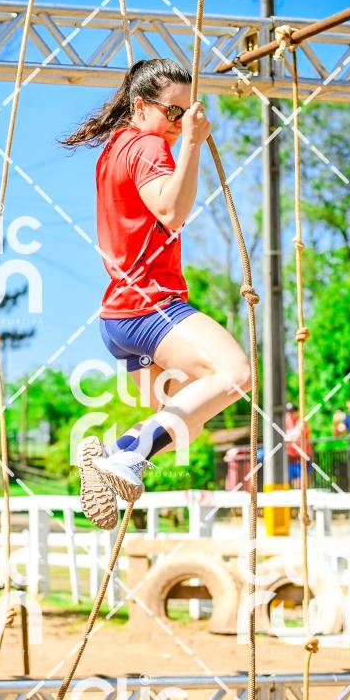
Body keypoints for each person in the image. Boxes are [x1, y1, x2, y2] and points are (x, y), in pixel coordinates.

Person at [61, 58, 251, 529]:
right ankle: (125, 453)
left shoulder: (115, 149)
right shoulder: (148, 145)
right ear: (141, 106)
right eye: (173, 112)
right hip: (149, 304)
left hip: (120, 319)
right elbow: (170, 210)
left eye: (186, 114)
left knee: (186, 420)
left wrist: (184, 138)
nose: (180, 122)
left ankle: (116, 453)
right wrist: (192, 143)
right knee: (236, 374)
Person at [285, 402, 312, 489]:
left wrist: (288, 438)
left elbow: (296, 438)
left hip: (302, 457)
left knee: (303, 484)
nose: (289, 414)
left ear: (296, 412)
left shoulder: (301, 422)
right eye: (288, 412)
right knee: (295, 484)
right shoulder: (286, 424)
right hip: (292, 457)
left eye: (292, 411)